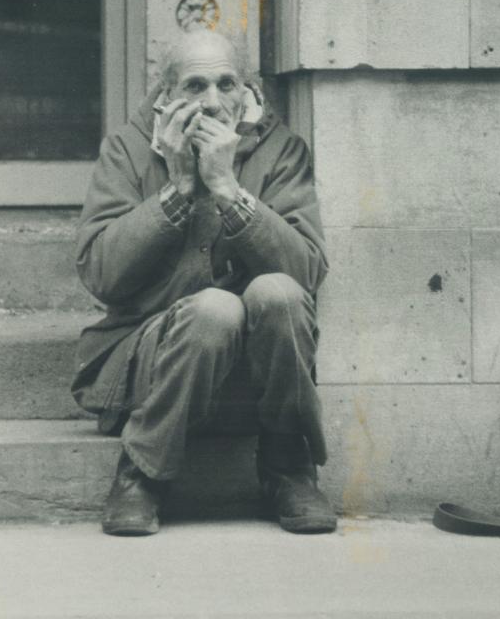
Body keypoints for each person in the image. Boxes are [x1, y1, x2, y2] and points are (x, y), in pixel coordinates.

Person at [71, 28, 335, 536]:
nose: (212, 103)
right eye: (194, 87)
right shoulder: (126, 149)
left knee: (278, 293)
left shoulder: (281, 150)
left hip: (254, 366)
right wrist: (178, 189)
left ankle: (287, 467)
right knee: (215, 307)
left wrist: (229, 190)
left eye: (226, 84)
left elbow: (306, 272)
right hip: (148, 357)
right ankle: (141, 475)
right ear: (166, 96)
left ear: (248, 90)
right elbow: (101, 274)